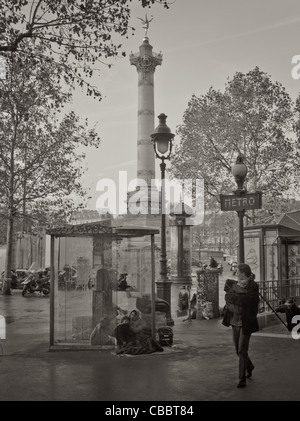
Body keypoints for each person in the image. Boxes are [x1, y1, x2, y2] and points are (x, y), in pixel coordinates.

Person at [222, 263, 259, 388]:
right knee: (238, 351)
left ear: (243, 273)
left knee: (242, 350)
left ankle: (241, 379)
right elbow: (227, 296)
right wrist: (234, 297)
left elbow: (247, 301)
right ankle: (250, 366)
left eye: (237, 271)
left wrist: (233, 298)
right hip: (234, 321)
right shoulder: (235, 284)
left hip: (246, 322)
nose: (236, 273)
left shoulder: (253, 286)